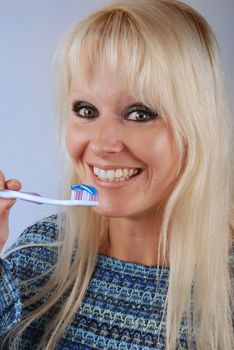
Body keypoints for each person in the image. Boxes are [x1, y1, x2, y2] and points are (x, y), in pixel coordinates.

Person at [0, 0, 233, 349]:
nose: (102, 143)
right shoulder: (39, 254)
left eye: (140, 113)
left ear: (198, 126)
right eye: (86, 110)